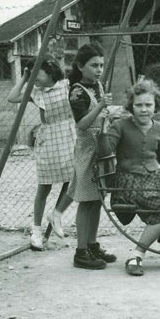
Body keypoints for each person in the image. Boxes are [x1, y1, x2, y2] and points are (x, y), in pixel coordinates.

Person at [107, 79, 160, 277]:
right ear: (131, 106)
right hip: (129, 179)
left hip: (155, 175)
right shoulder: (120, 126)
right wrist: (106, 132)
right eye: (139, 105)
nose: (144, 110)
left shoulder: (159, 128)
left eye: (148, 105)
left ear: (156, 106)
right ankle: (137, 254)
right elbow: (106, 150)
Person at [8, 57, 76, 251]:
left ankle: (57, 214)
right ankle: (36, 231)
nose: (34, 79)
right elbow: (12, 97)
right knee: (44, 187)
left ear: (50, 71)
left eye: (37, 74)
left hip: (69, 135)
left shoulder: (66, 85)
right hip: (49, 139)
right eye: (32, 75)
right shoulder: (35, 92)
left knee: (74, 179)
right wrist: (24, 78)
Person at [61, 43, 116, 270]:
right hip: (87, 150)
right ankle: (81, 251)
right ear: (81, 66)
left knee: (97, 200)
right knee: (86, 201)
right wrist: (101, 106)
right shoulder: (77, 91)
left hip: (101, 147)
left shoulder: (98, 86)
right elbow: (82, 124)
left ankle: (92, 244)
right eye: (94, 65)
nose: (99, 69)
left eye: (101, 65)